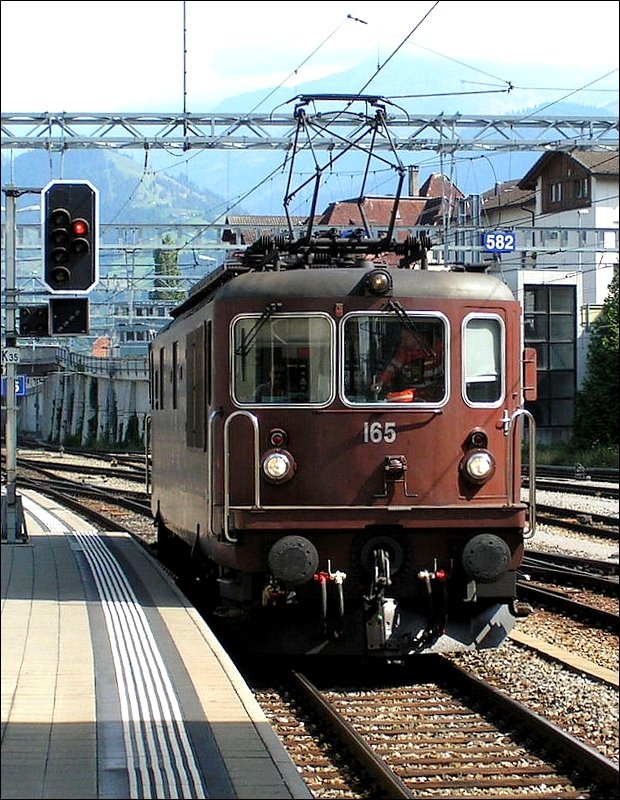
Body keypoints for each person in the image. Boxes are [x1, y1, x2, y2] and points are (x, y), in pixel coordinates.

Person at [371, 328, 442, 396]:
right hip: (412, 392)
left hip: (434, 393)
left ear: (416, 335)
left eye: (405, 338)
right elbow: (393, 367)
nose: (403, 342)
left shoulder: (438, 347)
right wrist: (381, 382)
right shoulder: (404, 351)